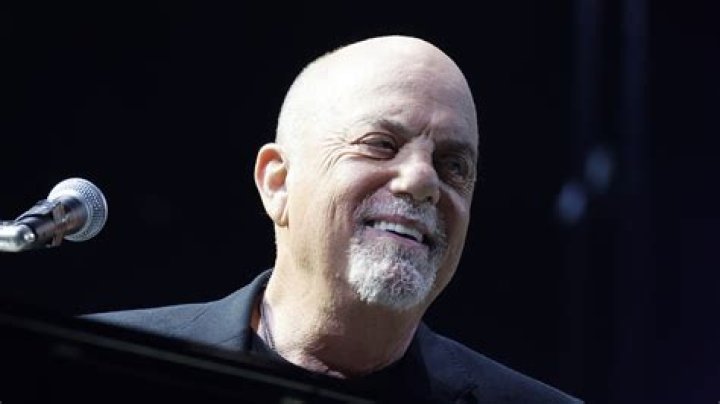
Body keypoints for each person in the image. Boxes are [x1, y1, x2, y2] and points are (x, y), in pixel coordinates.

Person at [85, 35, 582, 403]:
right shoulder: (98, 370)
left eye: (454, 166)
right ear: (278, 183)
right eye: (380, 144)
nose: (423, 180)